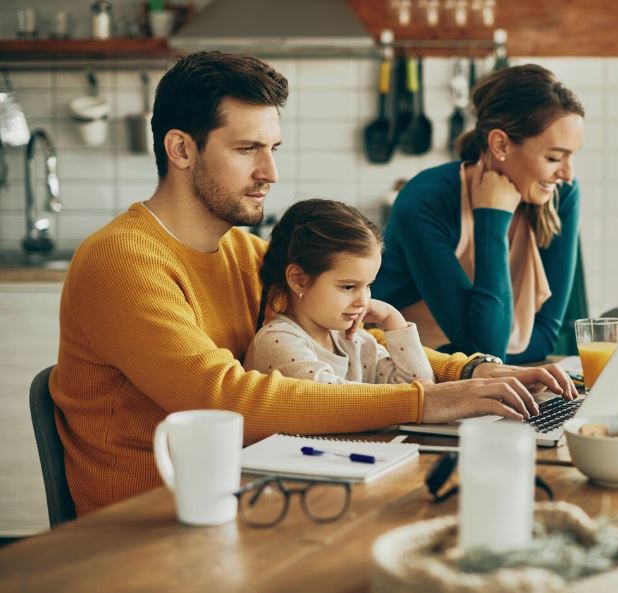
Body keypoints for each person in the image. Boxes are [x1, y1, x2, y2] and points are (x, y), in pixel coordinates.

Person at [51, 51, 574, 515]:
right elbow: (227, 400)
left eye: (273, 147)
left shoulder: (244, 253)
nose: (270, 171)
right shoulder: (123, 262)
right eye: (247, 149)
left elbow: (356, 335)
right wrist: (427, 401)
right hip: (148, 524)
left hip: (255, 495)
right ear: (181, 149)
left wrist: (478, 371)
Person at [372, 64, 585, 364]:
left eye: (572, 156)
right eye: (554, 157)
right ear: (500, 144)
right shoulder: (424, 202)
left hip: (482, 378)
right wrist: (492, 218)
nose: (567, 173)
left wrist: (488, 360)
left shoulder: (562, 194)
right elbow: (484, 349)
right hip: (401, 371)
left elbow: (546, 334)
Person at [244, 199, 434, 385]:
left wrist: (392, 318)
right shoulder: (277, 342)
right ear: (298, 280)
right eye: (348, 287)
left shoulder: (355, 341)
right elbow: (340, 403)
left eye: (368, 285)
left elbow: (421, 389)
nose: (363, 301)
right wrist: (415, 398)